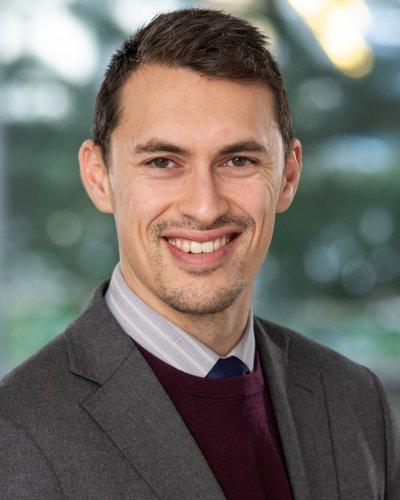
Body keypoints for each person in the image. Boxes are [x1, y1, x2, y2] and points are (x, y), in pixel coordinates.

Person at [0, 7, 399, 499]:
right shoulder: (16, 435)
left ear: (288, 176)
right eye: (162, 162)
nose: (205, 208)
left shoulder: (356, 401)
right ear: (99, 177)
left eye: (238, 160)